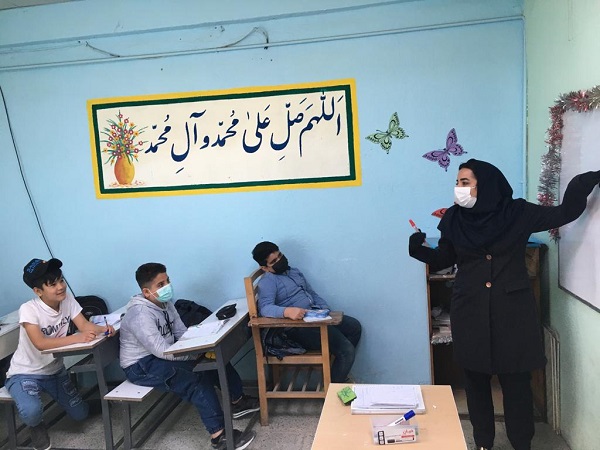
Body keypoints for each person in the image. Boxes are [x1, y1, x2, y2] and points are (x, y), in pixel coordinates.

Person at [408, 159, 600, 450]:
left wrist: (586, 180)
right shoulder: (454, 218)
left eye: (465, 182)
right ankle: (483, 443)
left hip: (512, 312)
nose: (458, 188)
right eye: (457, 183)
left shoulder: (518, 212)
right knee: (475, 382)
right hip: (469, 311)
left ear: (485, 185)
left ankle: (521, 443)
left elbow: (564, 212)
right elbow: (445, 258)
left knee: (516, 383)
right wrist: (419, 249)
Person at [119, 262, 258, 450]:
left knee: (213, 359)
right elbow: (161, 350)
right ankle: (219, 436)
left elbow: (181, 332)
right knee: (195, 377)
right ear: (146, 292)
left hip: (163, 354)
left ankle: (238, 401)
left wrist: (200, 347)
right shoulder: (139, 315)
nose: (167, 286)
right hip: (140, 365)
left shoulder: (166, 304)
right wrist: (192, 356)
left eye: (167, 281)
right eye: (161, 284)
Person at [6, 258, 115, 450]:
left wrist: (104, 329)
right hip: (24, 373)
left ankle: (83, 407)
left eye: (61, 280)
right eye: (53, 284)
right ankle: (36, 426)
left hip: (55, 371)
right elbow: (41, 344)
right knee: (32, 411)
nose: (61, 287)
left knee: (80, 414)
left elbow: (84, 325)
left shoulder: (67, 300)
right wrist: (76, 338)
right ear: (38, 291)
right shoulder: (29, 309)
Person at [251, 241, 362, 383]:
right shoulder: (268, 282)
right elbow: (265, 308)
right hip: (298, 328)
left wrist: (324, 309)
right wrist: (287, 311)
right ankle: (334, 387)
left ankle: (336, 373)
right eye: (274, 261)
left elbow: (311, 293)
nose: (280, 260)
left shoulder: (294, 272)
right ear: (265, 268)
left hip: (314, 316)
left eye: (280, 255)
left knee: (354, 327)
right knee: (346, 350)